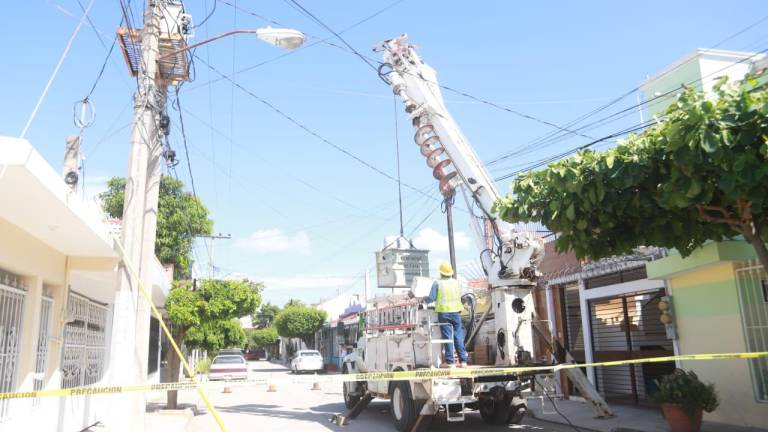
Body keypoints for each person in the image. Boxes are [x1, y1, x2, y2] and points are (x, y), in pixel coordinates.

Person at [409, 261, 468, 368]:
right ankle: (463, 361)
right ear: (450, 273)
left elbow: (431, 298)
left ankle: (450, 362)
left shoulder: (438, 283)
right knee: (458, 336)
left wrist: (422, 300)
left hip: (444, 313)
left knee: (447, 337)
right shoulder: (456, 282)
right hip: (456, 313)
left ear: (441, 273)